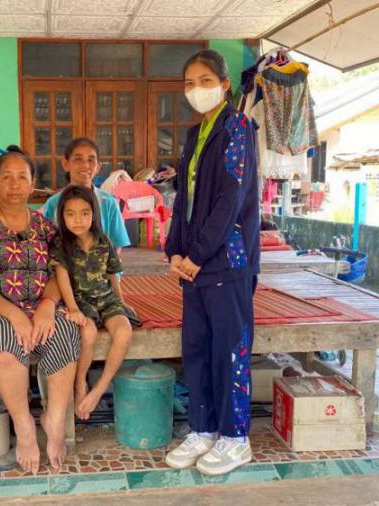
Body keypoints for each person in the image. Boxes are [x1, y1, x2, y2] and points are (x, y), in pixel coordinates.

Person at [163, 49, 261, 476]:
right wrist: (175, 250)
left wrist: (198, 254)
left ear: (224, 85)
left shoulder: (238, 127)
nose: (196, 90)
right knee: (197, 349)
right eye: (189, 83)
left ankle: (236, 438)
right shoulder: (195, 134)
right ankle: (203, 429)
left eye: (205, 81)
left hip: (227, 261)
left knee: (230, 350)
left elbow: (230, 199)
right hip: (194, 265)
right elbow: (183, 199)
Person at [0, 146, 79, 474]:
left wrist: (47, 305)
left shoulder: (44, 226)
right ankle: (24, 425)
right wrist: (14, 314)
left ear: (32, 183)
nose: (15, 185)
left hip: (36, 306)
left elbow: (57, 275)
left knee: (66, 329)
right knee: (5, 339)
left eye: (22, 178)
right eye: (7, 177)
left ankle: (54, 420)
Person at [50, 185, 140, 420]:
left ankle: (100, 388)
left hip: (106, 298)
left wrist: (121, 302)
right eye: (70, 214)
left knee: (124, 331)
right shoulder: (61, 244)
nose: (78, 220)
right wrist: (72, 309)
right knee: (88, 333)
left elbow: (112, 275)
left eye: (84, 213)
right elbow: (62, 279)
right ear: (62, 216)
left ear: (94, 214)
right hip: (81, 301)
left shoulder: (103, 241)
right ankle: (80, 382)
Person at [39, 138, 131, 250]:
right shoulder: (53, 203)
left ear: (98, 167)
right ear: (66, 164)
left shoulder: (109, 202)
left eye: (91, 160)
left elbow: (116, 245)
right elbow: (44, 243)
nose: (85, 165)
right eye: (78, 159)